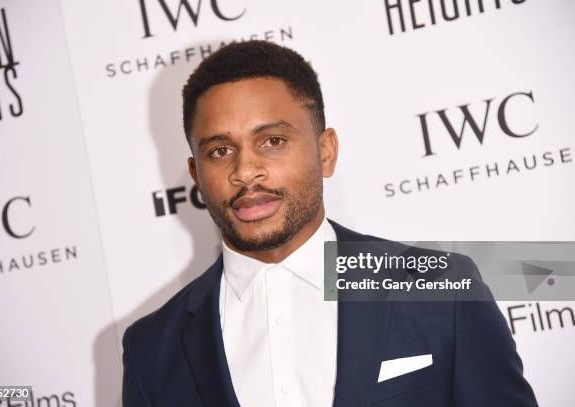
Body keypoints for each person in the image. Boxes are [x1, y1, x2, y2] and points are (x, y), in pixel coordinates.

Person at [122, 40, 537, 406]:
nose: (245, 171)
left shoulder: (441, 291)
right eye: (219, 151)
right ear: (195, 174)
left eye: (273, 141)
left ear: (326, 152)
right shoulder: (151, 350)